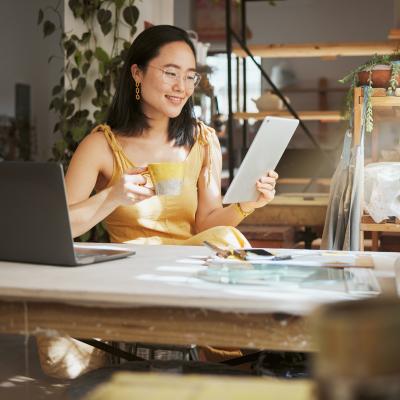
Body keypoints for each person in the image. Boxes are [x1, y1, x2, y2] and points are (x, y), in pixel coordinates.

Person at [37, 24, 278, 379]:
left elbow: (206, 224)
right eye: (170, 73)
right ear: (136, 72)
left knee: (225, 241)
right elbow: (59, 228)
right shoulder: (101, 145)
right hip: (132, 272)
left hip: (191, 273)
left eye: (190, 76)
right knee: (57, 354)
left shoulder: (203, 140)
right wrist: (111, 196)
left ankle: (240, 355)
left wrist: (249, 203)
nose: (182, 87)